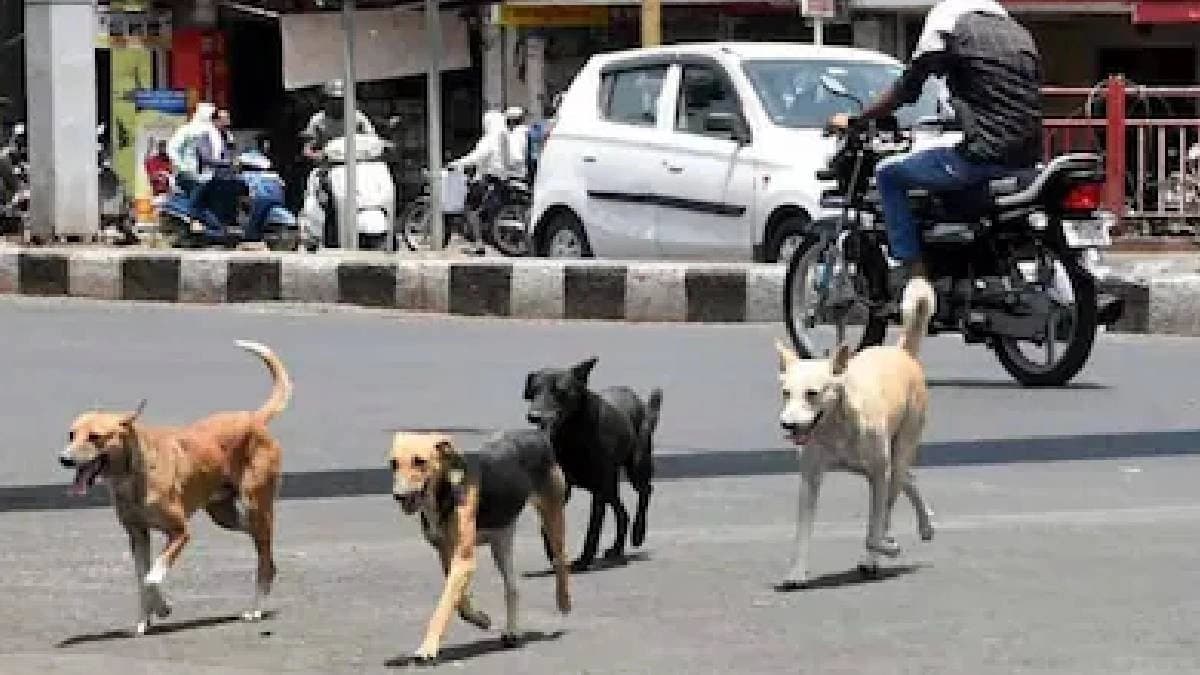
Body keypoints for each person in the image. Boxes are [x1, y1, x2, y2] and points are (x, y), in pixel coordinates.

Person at [831, 0, 1043, 281]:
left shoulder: (947, 24)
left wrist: (859, 119)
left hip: (982, 157)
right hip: (1026, 158)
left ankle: (915, 274)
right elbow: (1003, 99)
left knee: (889, 174)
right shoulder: (1019, 36)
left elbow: (906, 91)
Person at [299, 80, 376, 247]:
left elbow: (372, 140)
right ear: (325, 100)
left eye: (341, 100)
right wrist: (316, 156)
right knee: (323, 199)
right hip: (328, 170)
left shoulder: (358, 118)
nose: (337, 103)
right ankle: (318, 233)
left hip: (357, 169)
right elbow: (307, 148)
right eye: (333, 100)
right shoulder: (318, 120)